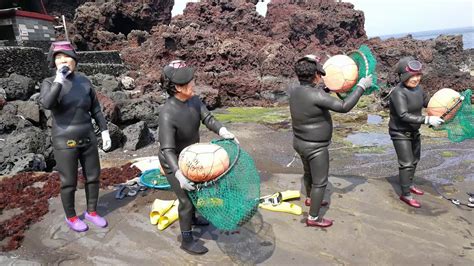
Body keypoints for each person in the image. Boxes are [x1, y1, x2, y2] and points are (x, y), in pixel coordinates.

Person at [158, 60, 238, 255]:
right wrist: (178, 174)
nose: (193, 84)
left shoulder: (194, 100)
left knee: (197, 193)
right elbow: (167, 149)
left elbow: (208, 118)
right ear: (177, 87)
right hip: (174, 161)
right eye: (189, 82)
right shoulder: (167, 113)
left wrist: (223, 130)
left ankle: (193, 219)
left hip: (193, 156)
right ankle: (186, 239)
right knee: (185, 200)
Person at [289, 55, 372, 228]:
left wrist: (326, 90)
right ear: (316, 76)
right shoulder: (316, 95)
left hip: (299, 143)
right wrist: (361, 87)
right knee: (320, 181)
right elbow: (343, 107)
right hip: (316, 148)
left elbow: (315, 97)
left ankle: (311, 199)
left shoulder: (295, 91)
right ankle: (313, 218)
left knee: (308, 173)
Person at [39, 41, 112, 232]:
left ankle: (92, 211)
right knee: (68, 181)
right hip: (64, 139)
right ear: (53, 62)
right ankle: (71, 217)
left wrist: (104, 131)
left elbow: (95, 109)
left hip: (88, 136)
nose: (63, 61)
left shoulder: (84, 81)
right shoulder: (48, 83)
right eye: (58, 58)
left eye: (67, 57)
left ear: (75, 60)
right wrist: (58, 81)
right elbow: (47, 103)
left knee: (93, 176)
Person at [388, 56, 443, 208]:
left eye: (418, 75)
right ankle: (405, 194)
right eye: (412, 76)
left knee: (415, 160)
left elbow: (428, 103)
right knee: (406, 163)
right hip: (399, 132)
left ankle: (409, 184)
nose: (416, 79)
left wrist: (446, 104)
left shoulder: (419, 89)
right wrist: (427, 120)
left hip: (414, 131)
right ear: (403, 75)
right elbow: (403, 115)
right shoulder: (398, 93)